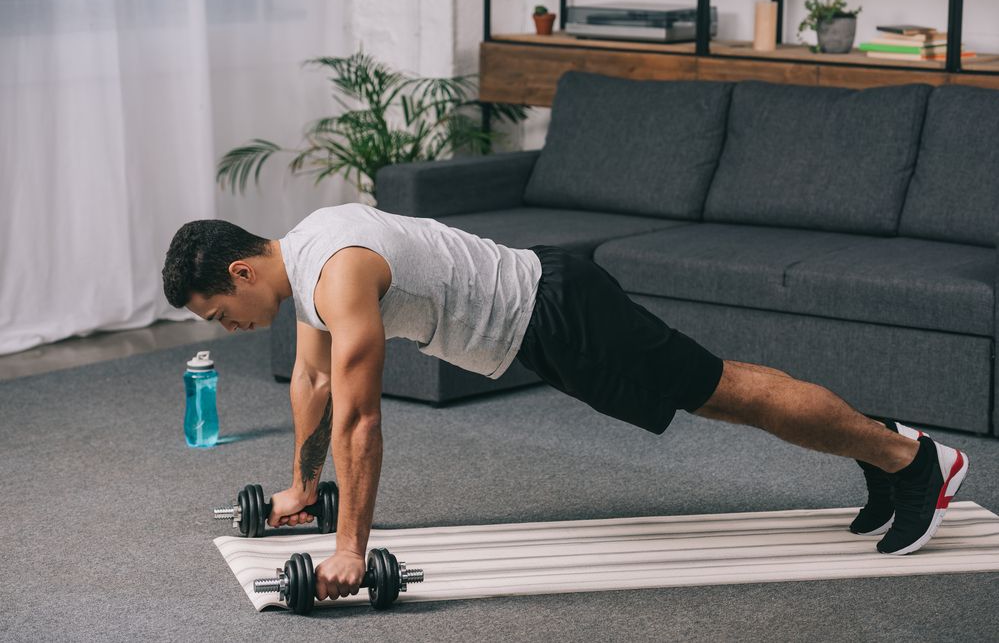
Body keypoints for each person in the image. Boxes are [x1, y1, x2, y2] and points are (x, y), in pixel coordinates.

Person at [162, 203, 970, 602]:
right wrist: (302, 487)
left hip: (555, 311)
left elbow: (361, 414)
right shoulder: (303, 261)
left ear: (237, 273)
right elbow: (315, 384)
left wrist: (349, 548)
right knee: (715, 397)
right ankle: (881, 449)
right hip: (540, 323)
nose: (227, 325)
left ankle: (912, 458)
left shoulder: (335, 270)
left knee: (720, 393)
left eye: (216, 312)